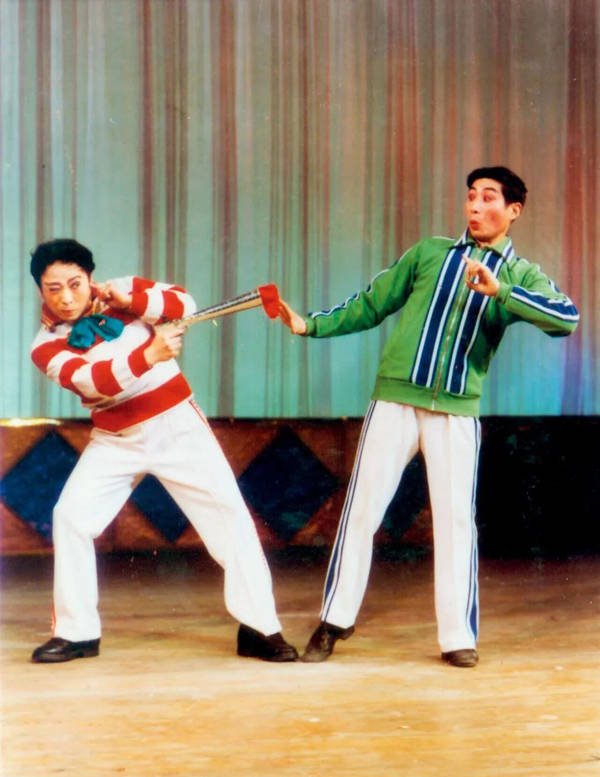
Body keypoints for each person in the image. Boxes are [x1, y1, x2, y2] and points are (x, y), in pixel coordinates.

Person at [278, 167, 579, 667]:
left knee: (456, 523)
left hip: (456, 413)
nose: (475, 206)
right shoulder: (429, 253)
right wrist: (310, 325)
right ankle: (334, 620)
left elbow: (566, 318)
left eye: (488, 198)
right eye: (471, 196)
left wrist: (501, 292)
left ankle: (457, 637)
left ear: (513, 210)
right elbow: (371, 303)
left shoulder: (521, 274)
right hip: (394, 402)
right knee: (361, 512)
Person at [29, 238, 298, 663]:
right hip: (115, 439)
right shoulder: (44, 345)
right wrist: (148, 354)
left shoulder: (124, 289)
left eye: (75, 284)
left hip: (177, 427)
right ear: (41, 290)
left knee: (229, 517)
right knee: (70, 518)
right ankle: (76, 634)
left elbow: (184, 304)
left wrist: (133, 301)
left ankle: (260, 628)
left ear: (90, 278)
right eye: (53, 289)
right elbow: (92, 382)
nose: (66, 298)